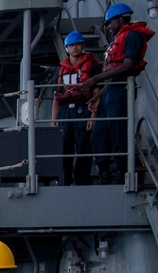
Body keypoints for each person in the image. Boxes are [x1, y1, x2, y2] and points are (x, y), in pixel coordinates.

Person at [82, 3, 155, 185]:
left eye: (109, 23)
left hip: (121, 90)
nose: (107, 27)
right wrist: (97, 96)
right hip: (111, 90)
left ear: (120, 19)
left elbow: (128, 65)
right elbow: (114, 75)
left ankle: (121, 173)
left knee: (118, 132)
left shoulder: (133, 35)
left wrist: (96, 78)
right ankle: (104, 172)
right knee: (98, 134)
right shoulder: (121, 37)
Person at [52, 31, 102, 186]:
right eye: (72, 45)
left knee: (83, 147)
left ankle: (82, 181)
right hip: (66, 112)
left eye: (78, 44)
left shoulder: (92, 66)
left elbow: (96, 94)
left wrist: (92, 117)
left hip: (83, 108)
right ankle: (65, 181)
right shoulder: (60, 70)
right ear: (67, 48)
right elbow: (57, 97)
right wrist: (54, 121)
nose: (75, 48)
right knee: (64, 148)